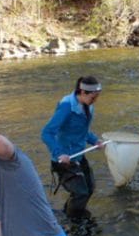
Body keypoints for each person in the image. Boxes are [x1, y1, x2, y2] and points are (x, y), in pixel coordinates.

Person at [41, 76, 104, 218]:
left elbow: (82, 131)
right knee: (80, 193)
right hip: (64, 160)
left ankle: (71, 212)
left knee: (90, 188)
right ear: (83, 92)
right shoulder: (66, 107)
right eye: (93, 97)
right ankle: (73, 221)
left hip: (79, 154)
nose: (95, 101)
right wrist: (59, 153)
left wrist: (94, 140)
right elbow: (46, 133)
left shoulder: (89, 106)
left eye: (97, 97)